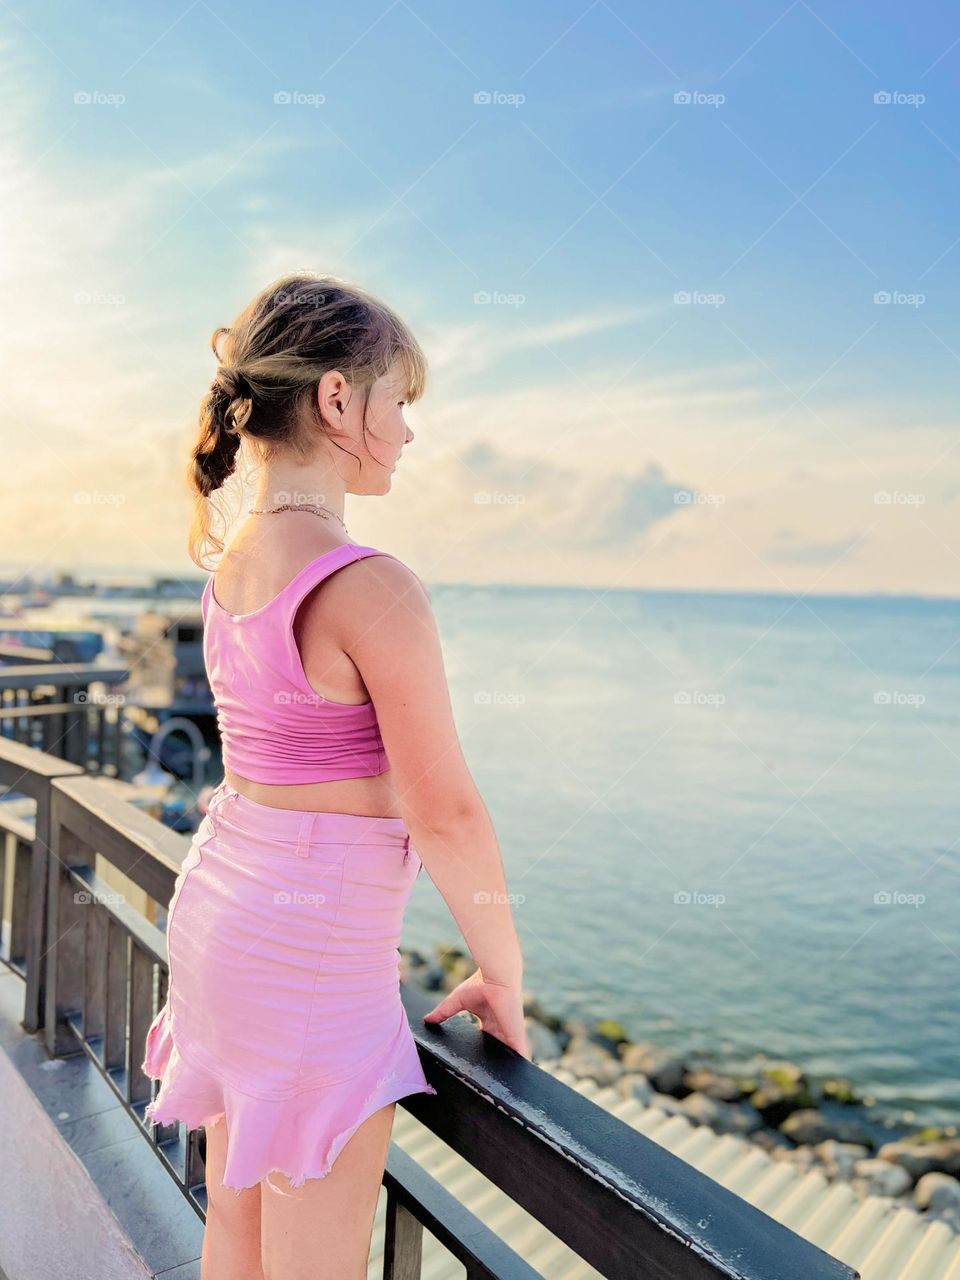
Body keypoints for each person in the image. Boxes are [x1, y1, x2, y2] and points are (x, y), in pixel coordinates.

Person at [140, 271, 528, 1280]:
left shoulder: (232, 565)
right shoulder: (370, 585)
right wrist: (503, 971)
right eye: (398, 400)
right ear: (337, 399)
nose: (407, 430)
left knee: (236, 1234)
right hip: (308, 956)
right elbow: (443, 808)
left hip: (226, 914)